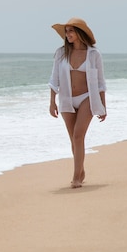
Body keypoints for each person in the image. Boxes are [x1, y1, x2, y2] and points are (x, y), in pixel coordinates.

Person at [48, 18, 107, 189]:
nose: (68, 35)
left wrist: (103, 106)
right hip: (66, 99)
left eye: (71, 31)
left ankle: (76, 177)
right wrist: (52, 102)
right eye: (66, 32)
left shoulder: (93, 54)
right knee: (73, 140)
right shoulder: (61, 53)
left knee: (78, 135)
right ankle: (80, 170)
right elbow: (54, 79)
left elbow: (101, 83)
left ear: (79, 33)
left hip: (87, 97)